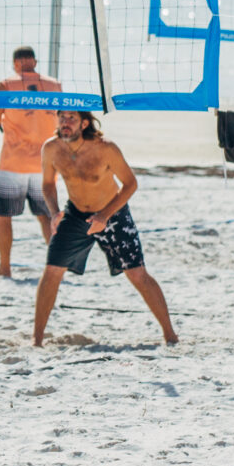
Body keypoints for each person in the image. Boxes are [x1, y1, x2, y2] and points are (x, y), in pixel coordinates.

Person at [33, 109, 176, 346]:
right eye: (62, 117)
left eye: (71, 119)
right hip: (76, 214)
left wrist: (104, 215)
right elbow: (48, 184)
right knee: (52, 271)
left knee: (137, 273)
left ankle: (170, 334)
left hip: (113, 213)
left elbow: (131, 184)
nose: (65, 123)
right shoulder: (51, 148)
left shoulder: (105, 148)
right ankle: (36, 340)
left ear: (84, 123)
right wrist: (54, 212)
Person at [0, 47, 62, 277]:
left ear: (16, 63)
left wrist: (3, 122)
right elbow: (63, 122)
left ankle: (5, 267)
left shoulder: (6, 85)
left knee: (4, 217)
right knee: (47, 218)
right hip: (45, 164)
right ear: (34, 61)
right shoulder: (54, 85)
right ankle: (57, 268)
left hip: (13, 163)